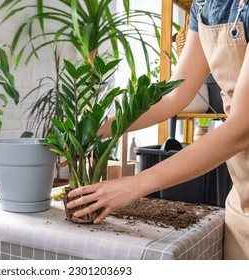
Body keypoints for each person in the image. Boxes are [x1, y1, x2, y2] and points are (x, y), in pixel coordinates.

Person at [66, 0, 249, 260]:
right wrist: (96, 128)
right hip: (241, 199)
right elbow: (174, 96)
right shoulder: (204, 5)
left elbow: (242, 126)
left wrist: (134, 185)